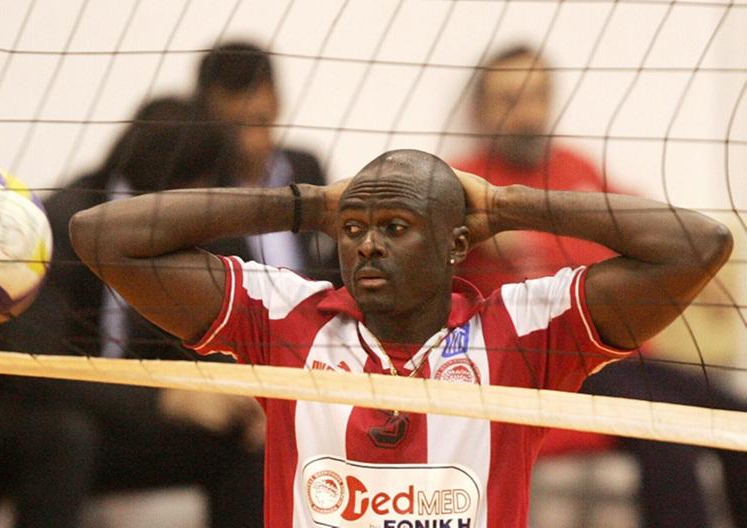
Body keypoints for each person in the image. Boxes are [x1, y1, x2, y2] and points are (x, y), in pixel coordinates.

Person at [68, 145, 732, 527]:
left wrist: (505, 204)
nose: (367, 245)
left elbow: (700, 245)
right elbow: (101, 237)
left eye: (395, 226)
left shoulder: (522, 328)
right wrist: (305, 204)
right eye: (353, 228)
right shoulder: (285, 315)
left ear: (456, 245)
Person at [453, 44, 747, 527]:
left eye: (537, 96)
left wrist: (704, 273)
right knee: (666, 438)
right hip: (553, 365)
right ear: (481, 109)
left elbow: (654, 228)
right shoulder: (464, 183)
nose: (528, 114)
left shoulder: (576, 167)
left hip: (627, 358)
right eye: (510, 100)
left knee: (736, 421)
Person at [5, 96, 264, 527]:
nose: (209, 195)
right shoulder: (62, 223)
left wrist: (251, 394)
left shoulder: (201, 226)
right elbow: (41, 368)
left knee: (248, 442)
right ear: (171, 182)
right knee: (66, 434)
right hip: (70, 416)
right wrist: (166, 399)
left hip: (145, 423)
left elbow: (231, 321)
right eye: (201, 183)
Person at [195, 41, 337, 281]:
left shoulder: (306, 166)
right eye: (238, 125)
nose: (251, 136)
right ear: (209, 110)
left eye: (258, 120)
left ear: (276, 100)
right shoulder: (201, 187)